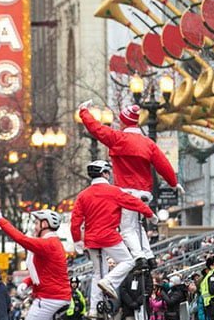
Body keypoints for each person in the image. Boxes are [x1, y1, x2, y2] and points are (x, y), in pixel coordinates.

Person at [78, 102, 182, 267]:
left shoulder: (118, 138)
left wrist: (84, 111)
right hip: (145, 193)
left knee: (126, 229)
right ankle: (149, 256)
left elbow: (95, 128)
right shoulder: (148, 143)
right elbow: (163, 164)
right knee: (137, 226)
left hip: (126, 192)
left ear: (124, 122)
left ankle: (139, 256)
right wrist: (174, 183)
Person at [70, 160, 154, 317]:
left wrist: (77, 240)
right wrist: (150, 214)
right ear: (105, 174)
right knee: (128, 261)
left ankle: (94, 308)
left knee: (97, 273)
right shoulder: (114, 191)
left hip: (91, 239)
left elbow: (75, 220)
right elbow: (133, 202)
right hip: (109, 236)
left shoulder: (83, 195)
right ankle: (110, 281)